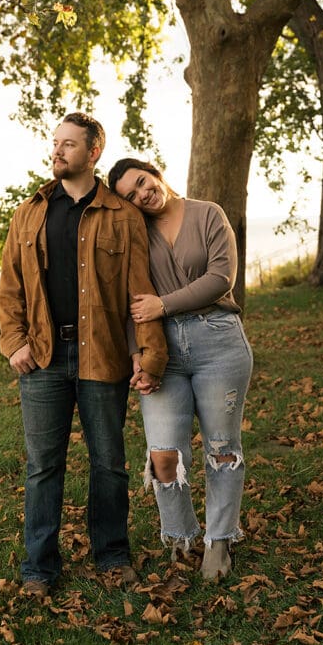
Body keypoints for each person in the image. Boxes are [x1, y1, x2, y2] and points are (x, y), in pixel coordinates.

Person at [0, 114, 168, 597]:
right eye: (55, 143)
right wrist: (15, 343)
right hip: (44, 359)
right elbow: (10, 289)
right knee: (43, 465)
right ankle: (39, 569)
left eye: (68, 144)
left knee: (109, 462)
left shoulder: (124, 215)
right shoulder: (28, 213)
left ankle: (112, 555)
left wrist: (151, 354)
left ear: (93, 152)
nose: (57, 151)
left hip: (103, 355)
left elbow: (141, 291)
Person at [107, 157, 253, 582]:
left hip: (219, 340)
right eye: (130, 196)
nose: (141, 194)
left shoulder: (208, 214)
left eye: (141, 182)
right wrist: (138, 355)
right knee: (164, 454)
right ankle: (182, 536)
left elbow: (221, 278)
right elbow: (133, 301)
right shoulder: (137, 235)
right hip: (161, 350)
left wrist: (165, 303)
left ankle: (219, 541)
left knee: (222, 448)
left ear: (155, 173)